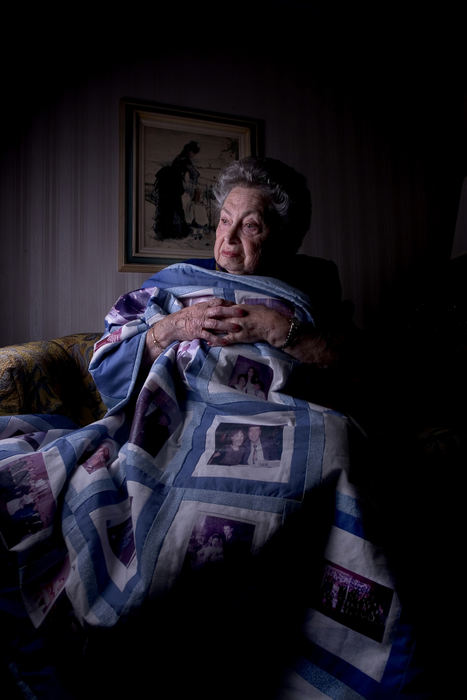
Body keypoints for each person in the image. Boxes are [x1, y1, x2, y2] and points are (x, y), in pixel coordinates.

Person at [141, 156, 353, 378]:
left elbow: (352, 366)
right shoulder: (179, 278)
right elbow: (114, 367)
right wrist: (172, 328)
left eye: (250, 225)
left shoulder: (315, 278)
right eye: (225, 221)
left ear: (284, 237)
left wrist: (272, 327)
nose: (229, 237)